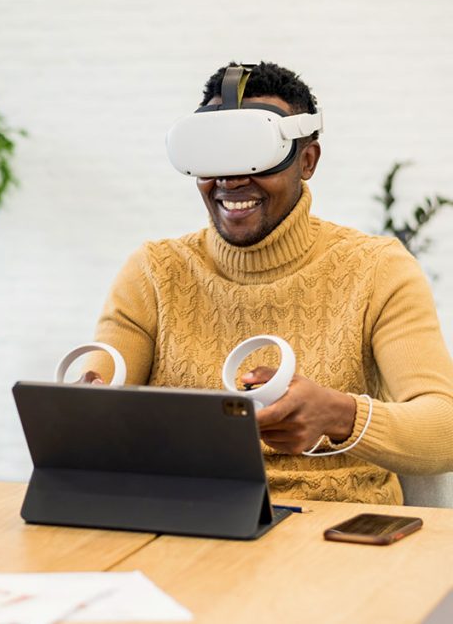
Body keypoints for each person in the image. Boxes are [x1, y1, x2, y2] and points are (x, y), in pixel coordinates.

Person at [86, 61, 453, 504]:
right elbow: (93, 402)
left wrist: (340, 416)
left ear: (307, 160)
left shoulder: (378, 269)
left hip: (333, 524)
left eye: (255, 153)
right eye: (214, 155)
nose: (231, 179)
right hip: (186, 516)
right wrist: (85, 413)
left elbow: (445, 427)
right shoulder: (153, 271)